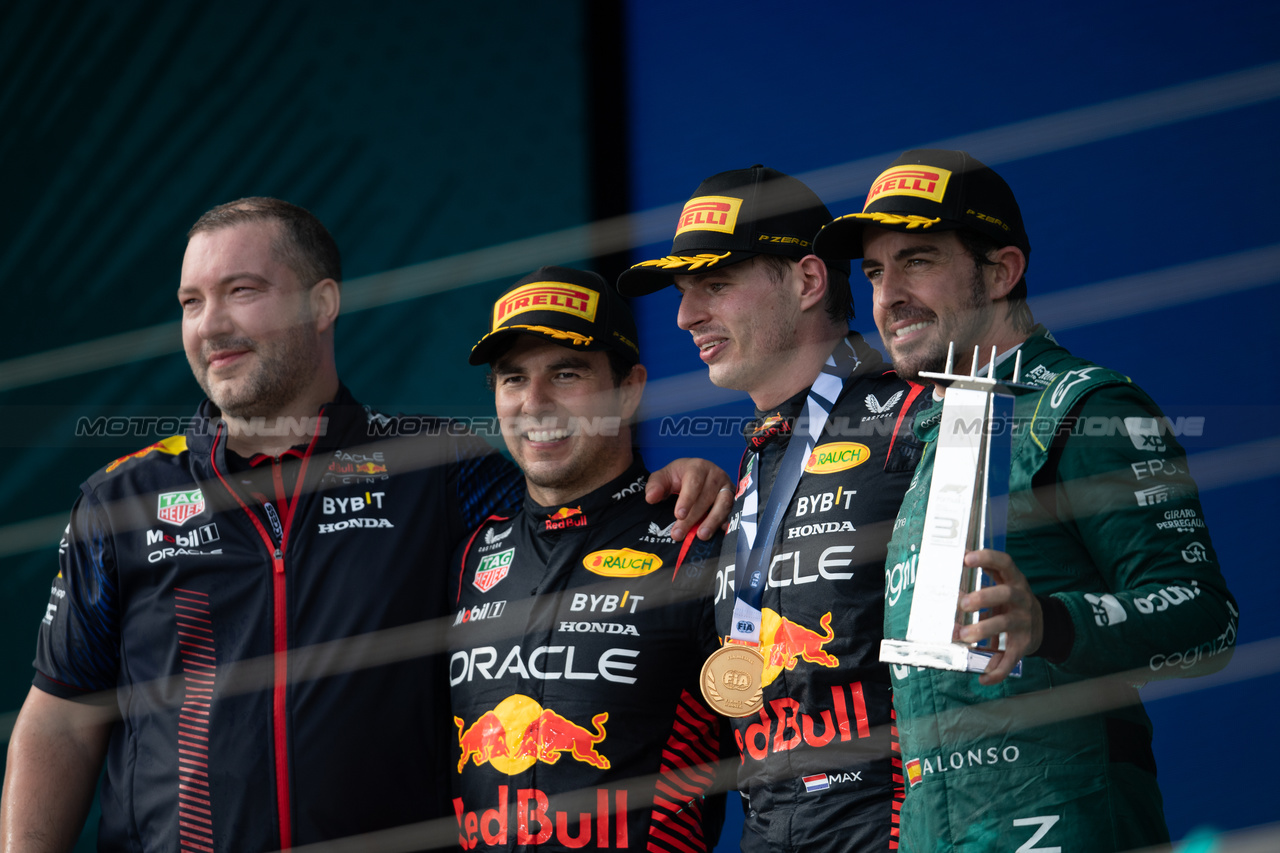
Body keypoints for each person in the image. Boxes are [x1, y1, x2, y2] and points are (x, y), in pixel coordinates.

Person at [0, 199, 732, 853]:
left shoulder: (442, 466)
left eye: (242, 292)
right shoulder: (120, 497)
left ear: (323, 303)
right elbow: (60, 718)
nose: (210, 323)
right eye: (191, 301)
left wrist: (682, 479)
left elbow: (573, 500)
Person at [812, 148, 1239, 851]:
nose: (888, 296)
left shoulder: (1089, 407)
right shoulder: (929, 434)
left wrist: (1051, 622)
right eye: (876, 271)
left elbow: (1206, 619)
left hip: (1071, 820)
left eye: (917, 260)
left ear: (1002, 271)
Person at [618, 167, 927, 852]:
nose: (684, 315)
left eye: (715, 284)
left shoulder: (918, 421)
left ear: (808, 281)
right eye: (682, 292)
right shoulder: (758, 459)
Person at [448, 266, 726, 851]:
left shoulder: (700, 538)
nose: (534, 403)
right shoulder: (471, 555)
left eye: (566, 374)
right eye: (512, 379)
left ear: (628, 388)